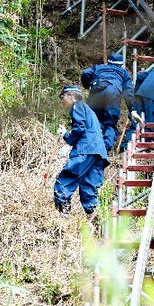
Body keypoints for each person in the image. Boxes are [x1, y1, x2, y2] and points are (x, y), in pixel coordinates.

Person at [54, 86, 109, 218]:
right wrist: (66, 135)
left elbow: (79, 127)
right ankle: (98, 226)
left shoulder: (77, 105)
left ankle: (63, 220)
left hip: (85, 150)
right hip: (97, 154)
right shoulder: (89, 111)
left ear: (71, 95)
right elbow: (86, 131)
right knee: (89, 190)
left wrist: (68, 144)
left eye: (63, 97)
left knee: (65, 180)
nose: (62, 102)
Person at [81, 53, 142, 152]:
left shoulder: (98, 67)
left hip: (97, 90)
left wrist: (87, 85)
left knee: (92, 120)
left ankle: (89, 144)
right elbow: (128, 93)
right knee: (110, 123)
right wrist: (132, 110)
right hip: (113, 92)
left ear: (107, 62)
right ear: (121, 64)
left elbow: (85, 73)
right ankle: (105, 148)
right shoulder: (123, 73)